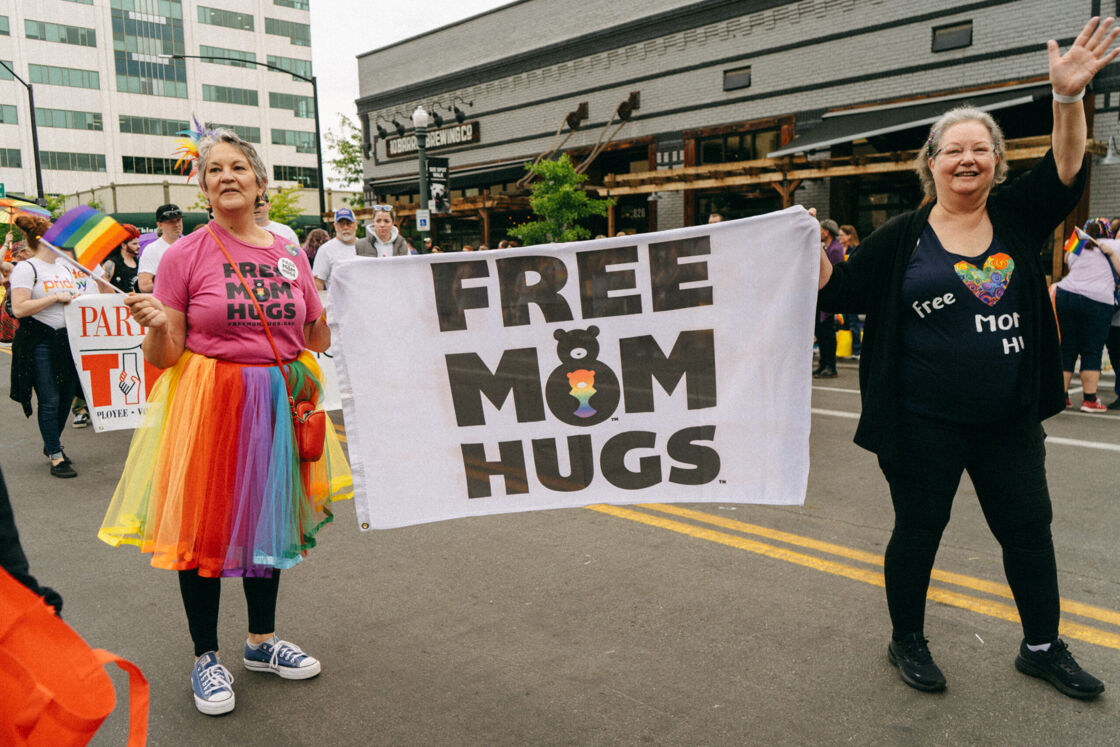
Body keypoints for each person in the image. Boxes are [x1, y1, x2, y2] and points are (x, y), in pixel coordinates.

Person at [816, 17, 1117, 700]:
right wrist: (803, 249)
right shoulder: (901, 238)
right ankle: (908, 638)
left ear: (996, 163)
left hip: (1007, 419)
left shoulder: (1015, 215)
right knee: (919, 530)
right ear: (931, 163)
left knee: (1027, 532)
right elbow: (840, 291)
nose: (967, 160)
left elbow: (1067, 169)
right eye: (953, 151)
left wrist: (1066, 99)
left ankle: (1042, 646)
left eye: (981, 150)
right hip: (922, 421)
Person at [98, 129, 352, 716]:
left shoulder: (289, 252)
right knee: (203, 529)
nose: (227, 176)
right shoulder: (185, 254)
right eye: (215, 170)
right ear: (205, 188)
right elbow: (163, 358)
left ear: (260, 182)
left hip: (280, 401)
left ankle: (261, 643)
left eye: (239, 166)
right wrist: (157, 322)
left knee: (269, 522)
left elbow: (315, 335)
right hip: (210, 403)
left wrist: (351, 300)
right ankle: (205, 656)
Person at [8, 215, 110, 477]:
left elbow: (86, 295)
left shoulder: (64, 267)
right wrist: (55, 297)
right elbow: (19, 308)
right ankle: (55, 453)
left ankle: (51, 443)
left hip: (67, 340)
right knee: (50, 398)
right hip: (39, 341)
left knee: (66, 396)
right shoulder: (27, 268)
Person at [1052, 218, 1120, 412]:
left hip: (1066, 294)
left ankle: (1061, 396)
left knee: (1066, 348)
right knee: (1092, 349)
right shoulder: (1114, 244)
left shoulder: (1078, 244)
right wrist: (1112, 254)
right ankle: (1090, 400)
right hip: (1097, 300)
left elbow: (1066, 260)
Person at [814, 219, 843, 378]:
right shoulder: (827, 247)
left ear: (827, 231)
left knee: (827, 332)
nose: (819, 232)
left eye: (821, 229)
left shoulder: (836, 249)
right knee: (821, 331)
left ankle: (830, 366)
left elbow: (837, 270)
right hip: (821, 295)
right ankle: (823, 363)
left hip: (829, 296)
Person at [136, 204, 184, 293]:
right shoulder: (152, 249)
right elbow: (144, 285)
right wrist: (175, 282)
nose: (177, 224)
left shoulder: (191, 246)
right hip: (166, 303)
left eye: (179, 220)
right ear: (160, 225)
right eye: (171, 221)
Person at [312, 208, 359, 290]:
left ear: (356, 225)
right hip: (336, 302)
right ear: (335, 226)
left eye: (349, 223)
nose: (345, 227)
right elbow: (318, 281)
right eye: (341, 224)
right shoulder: (325, 250)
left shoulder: (364, 246)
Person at [838, 224, 863, 357]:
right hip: (844, 289)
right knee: (845, 321)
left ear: (849, 236)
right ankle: (848, 349)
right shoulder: (841, 250)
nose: (839, 237)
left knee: (853, 321)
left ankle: (857, 350)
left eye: (842, 235)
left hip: (853, 289)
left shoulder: (855, 250)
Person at [101, 223, 143, 293]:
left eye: (138, 243)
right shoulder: (111, 263)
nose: (138, 246)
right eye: (134, 244)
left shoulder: (140, 262)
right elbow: (102, 285)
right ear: (123, 245)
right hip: (117, 302)